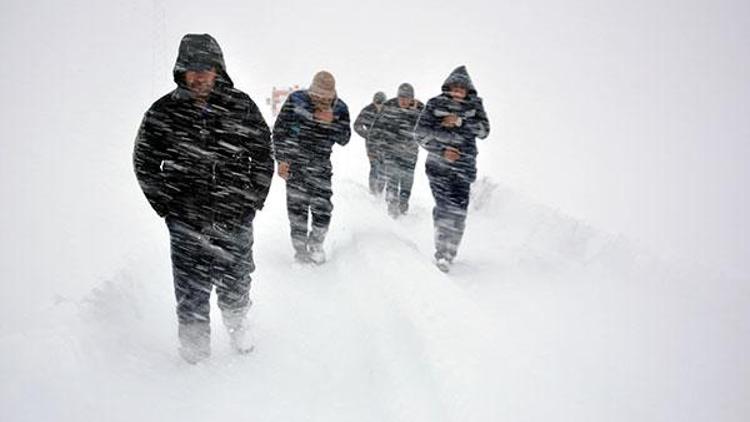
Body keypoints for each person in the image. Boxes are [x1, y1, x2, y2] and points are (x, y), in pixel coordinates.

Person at [133, 34, 274, 363]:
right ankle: (195, 353)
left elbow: (263, 154)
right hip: (186, 219)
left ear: (217, 70)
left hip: (234, 214)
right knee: (190, 285)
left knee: (236, 276)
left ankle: (239, 325)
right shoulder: (164, 112)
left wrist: (252, 199)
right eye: (191, 69)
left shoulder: (241, 106)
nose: (198, 76)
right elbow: (143, 161)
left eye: (205, 68)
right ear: (181, 71)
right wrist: (166, 205)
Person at [415, 66, 490, 272]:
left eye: (461, 89)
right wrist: (441, 150)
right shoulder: (434, 104)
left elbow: (484, 131)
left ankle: (451, 250)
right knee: (444, 208)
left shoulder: (476, 106)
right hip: (438, 167)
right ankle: (442, 253)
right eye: (454, 88)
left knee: (459, 212)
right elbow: (420, 133)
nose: (457, 92)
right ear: (448, 88)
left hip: (464, 169)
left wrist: (461, 121)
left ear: (468, 91)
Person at [272, 71, 351, 264]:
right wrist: (281, 159)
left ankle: (316, 244)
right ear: (311, 91)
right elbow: (279, 132)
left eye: (326, 98)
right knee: (296, 211)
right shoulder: (296, 101)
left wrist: (332, 122)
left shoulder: (340, 108)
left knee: (322, 209)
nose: (321, 102)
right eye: (317, 97)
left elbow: (345, 138)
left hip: (321, 166)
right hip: (294, 165)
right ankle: (300, 251)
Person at [368, 83, 424, 217]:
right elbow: (376, 128)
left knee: (406, 181)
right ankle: (392, 208)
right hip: (390, 150)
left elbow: (425, 129)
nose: (404, 101)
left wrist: (415, 113)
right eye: (401, 97)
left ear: (412, 98)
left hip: (410, 152)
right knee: (392, 178)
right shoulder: (389, 107)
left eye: (407, 98)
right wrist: (372, 147)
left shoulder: (420, 108)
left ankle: (403, 206)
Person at [353, 91, 387, 194]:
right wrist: (367, 134)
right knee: (374, 166)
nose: (379, 105)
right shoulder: (367, 110)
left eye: (381, 103)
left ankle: (380, 190)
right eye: (377, 103)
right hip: (371, 144)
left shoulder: (389, 111)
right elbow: (357, 125)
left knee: (384, 167)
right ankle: (373, 190)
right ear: (374, 101)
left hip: (386, 144)